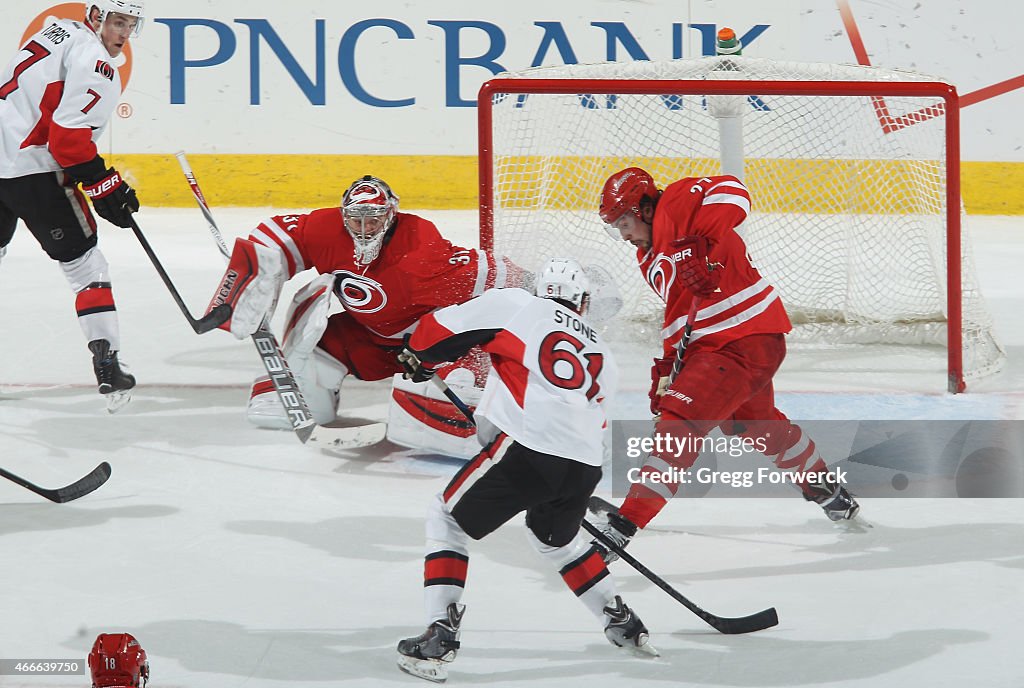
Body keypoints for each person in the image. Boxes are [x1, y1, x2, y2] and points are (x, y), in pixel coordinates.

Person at [393, 258, 656, 683]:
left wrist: (423, 357)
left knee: (446, 519)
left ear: (540, 290)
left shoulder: (516, 304)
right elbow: (592, 420)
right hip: (585, 465)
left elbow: (435, 331)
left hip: (530, 449)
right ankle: (623, 622)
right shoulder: (603, 354)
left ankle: (439, 637)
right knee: (556, 542)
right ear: (583, 304)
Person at [594, 168, 860, 557]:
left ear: (646, 208)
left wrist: (694, 241)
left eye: (625, 222)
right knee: (759, 426)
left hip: (744, 341)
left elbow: (732, 189)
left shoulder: (678, 203)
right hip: (721, 350)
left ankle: (622, 528)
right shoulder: (647, 258)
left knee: (679, 427)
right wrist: (666, 372)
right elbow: (680, 314)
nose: (624, 234)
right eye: (616, 226)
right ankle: (829, 492)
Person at [207, 175, 534, 429]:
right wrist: (253, 279)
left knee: (460, 380)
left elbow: (500, 279)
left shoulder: (421, 250)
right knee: (317, 349)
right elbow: (272, 236)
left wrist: (552, 291)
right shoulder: (325, 230)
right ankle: (302, 394)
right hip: (367, 339)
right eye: (355, 219)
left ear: (390, 215)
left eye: (373, 219)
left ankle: (468, 403)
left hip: (430, 348)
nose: (363, 229)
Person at [0, 0, 144, 412]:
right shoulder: (98, 65)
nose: (124, 34)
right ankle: (109, 365)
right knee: (86, 266)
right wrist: (104, 185)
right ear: (96, 17)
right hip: (30, 170)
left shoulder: (55, 29)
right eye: (118, 22)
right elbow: (67, 144)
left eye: (131, 24)